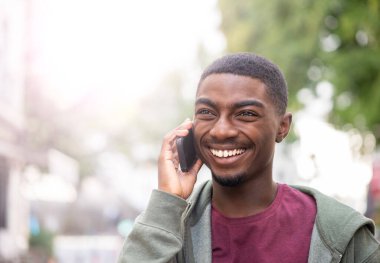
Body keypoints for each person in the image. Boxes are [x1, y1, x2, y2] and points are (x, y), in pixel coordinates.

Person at [118, 53, 380, 262]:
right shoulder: (170, 229)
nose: (221, 130)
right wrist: (168, 201)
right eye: (207, 112)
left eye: (245, 114)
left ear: (282, 126)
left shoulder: (341, 234)